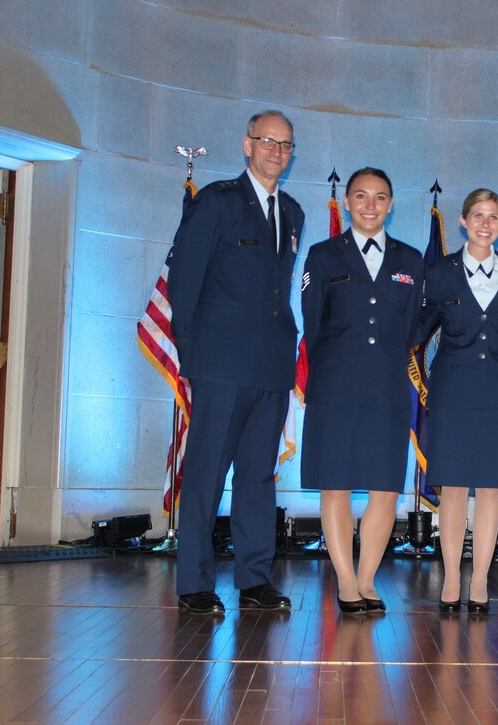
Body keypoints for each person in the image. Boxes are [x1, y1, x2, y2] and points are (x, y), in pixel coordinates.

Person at [168, 110, 303, 614]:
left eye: (286, 145)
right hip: (219, 364)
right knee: (206, 472)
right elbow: (184, 284)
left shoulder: (292, 212)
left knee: (257, 476)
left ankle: (254, 579)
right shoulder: (217, 203)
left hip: (270, 366)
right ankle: (194, 583)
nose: (276, 151)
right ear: (246, 145)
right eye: (267, 141)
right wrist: (192, 354)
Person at [299, 167, 423, 615]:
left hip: (388, 385)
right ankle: (346, 581)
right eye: (361, 196)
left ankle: (368, 578)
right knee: (336, 484)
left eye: (380, 197)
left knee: (385, 487)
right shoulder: (323, 255)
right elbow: (313, 325)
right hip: (336, 383)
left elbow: (414, 325)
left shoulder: (411, 260)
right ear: (347, 202)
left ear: (391, 204)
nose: (370, 205)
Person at [418, 189, 498, 615]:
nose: (486, 224)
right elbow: (420, 326)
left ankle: (480, 580)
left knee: (489, 491)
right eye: (477, 216)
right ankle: (450, 578)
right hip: (453, 394)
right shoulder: (440, 272)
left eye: (494, 217)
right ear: (462, 220)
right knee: (452, 490)